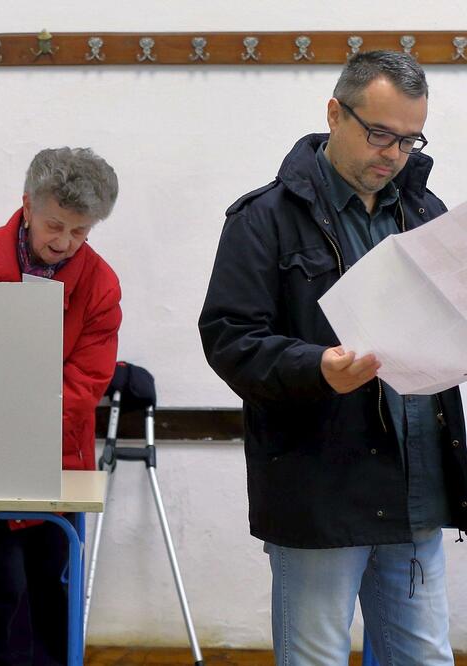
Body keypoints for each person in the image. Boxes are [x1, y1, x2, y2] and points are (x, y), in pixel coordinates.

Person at [199, 51, 467, 665]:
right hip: (319, 484)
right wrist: (316, 368)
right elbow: (230, 338)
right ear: (333, 114)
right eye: (379, 134)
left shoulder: (426, 212)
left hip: (415, 484)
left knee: (424, 657)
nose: (393, 154)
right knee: (314, 657)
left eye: (408, 140)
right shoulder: (263, 220)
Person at [0, 147, 121, 665]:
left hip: (55, 465)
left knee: (49, 597)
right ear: (28, 206)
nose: (63, 243)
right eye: (54, 225)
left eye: (80, 232)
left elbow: (86, 382)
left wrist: (12, 428)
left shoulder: (99, 284)